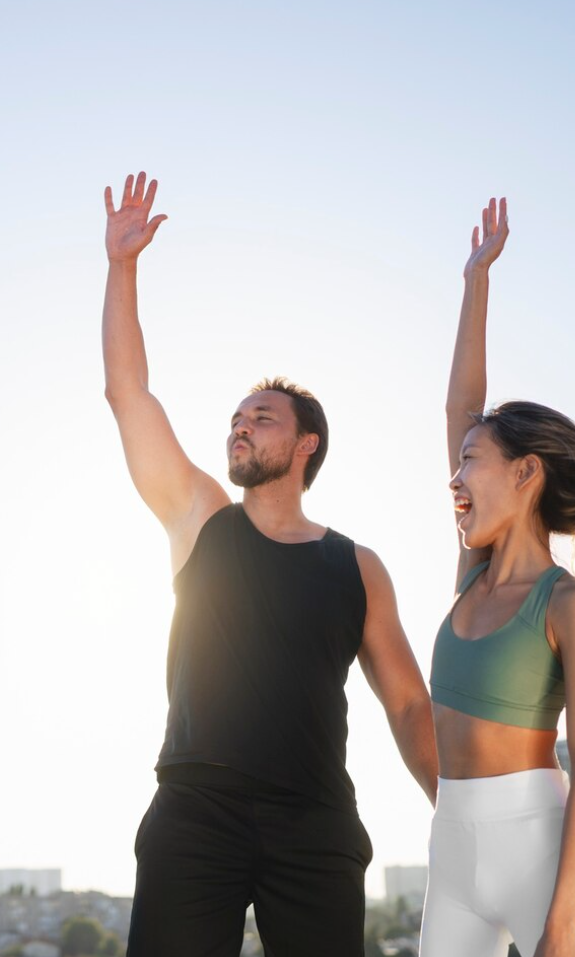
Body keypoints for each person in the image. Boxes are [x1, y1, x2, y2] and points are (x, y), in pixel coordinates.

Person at [100, 172, 440, 956]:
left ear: (306, 444)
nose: (240, 428)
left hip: (315, 821)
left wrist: (453, 815)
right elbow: (128, 393)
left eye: (262, 418)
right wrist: (123, 269)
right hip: (195, 808)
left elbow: (410, 709)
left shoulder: (358, 566)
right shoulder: (200, 518)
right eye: (236, 419)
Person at [421, 197, 575, 957]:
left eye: (470, 462)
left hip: (539, 848)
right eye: (456, 461)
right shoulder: (472, 575)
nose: (454, 477)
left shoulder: (570, 604)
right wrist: (475, 281)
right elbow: (461, 405)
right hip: (450, 846)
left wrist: (559, 925)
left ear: (524, 473)